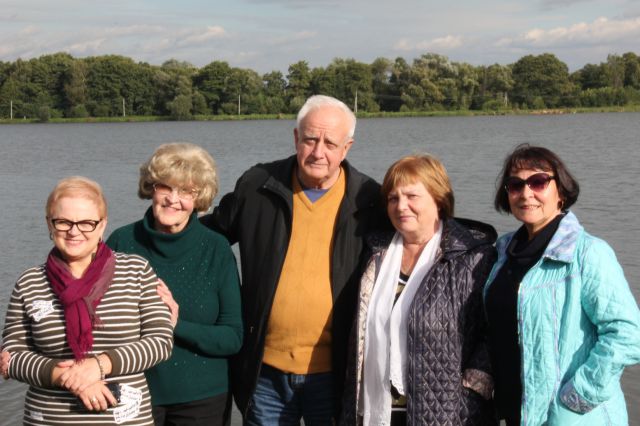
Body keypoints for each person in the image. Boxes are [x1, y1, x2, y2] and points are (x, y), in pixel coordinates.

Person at [201, 95, 389, 424]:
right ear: (295, 138)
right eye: (310, 139)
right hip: (265, 372)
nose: (318, 152)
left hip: (336, 374)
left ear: (346, 148)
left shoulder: (369, 200)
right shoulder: (258, 186)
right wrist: (151, 236)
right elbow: (207, 240)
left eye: (330, 143)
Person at [484, 144, 640, 426]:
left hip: (574, 417)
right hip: (515, 413)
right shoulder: (501, 253)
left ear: (561, 191)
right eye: (515, 185)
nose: (526, 193)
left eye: (538, 182)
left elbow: (627, 334)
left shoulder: (588, 253)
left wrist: (575, 400)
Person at [1, 176, 174, 425]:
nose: (74, 231)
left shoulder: (136, 271)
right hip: (49, 419)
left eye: (86, 223)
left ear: (102, 225)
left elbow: (160, 342)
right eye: (63, 222)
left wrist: (99, 365)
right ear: (49, 223)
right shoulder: (30, 282)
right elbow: (11, 357)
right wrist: (67, 377)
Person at [341, 155, 498, 425]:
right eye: (393, 198)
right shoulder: (373, 253)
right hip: (376, 410)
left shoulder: (474, 258)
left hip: (446, 414)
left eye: (412, 196)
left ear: (438, 199)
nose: (401, 206)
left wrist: (469, 395)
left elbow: (494, 332)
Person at [106, 143, 243, 426]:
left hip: (204, 400)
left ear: (199, 197)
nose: (173, 199)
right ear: (151, 188)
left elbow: (232, 338)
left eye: (186, 191)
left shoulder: (216, 249)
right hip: (132, 393)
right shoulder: (121, 242)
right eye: (165, 187)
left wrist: (174, 324)